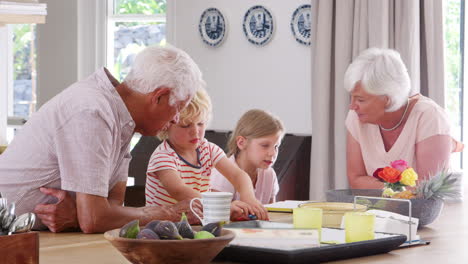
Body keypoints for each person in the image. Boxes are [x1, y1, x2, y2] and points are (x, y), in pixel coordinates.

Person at [0, 45, 205, 233]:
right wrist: (172, 213)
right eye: (178, 107)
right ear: (159, 96)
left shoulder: (122, 116)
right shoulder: (92, 110)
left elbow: (112, 208)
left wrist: (79, 217)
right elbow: (96, 219)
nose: (176, 118)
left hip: (31, 235)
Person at [344, 47, 463, 189]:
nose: (352, 106)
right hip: (381, 209)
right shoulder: (357, 117)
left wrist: (376, 186)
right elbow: (355, 180)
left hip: (429, 210)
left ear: (387, 99)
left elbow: (427, 191)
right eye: (352, 97)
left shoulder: (430, 117)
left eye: (360, 100)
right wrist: (400, 188)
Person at [145, 89, 269, 220]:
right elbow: (179, 190)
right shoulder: (163, 156)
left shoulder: (208, 149)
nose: (195, 132)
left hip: (195, 221)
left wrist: (249, 198)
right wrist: (223, 207)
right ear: (165, 125)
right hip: (162, 227)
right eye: (186, 125)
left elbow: (238, 175)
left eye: (200, 123)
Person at [210, 109, 284, 205]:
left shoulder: (269, 175)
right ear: (241, 143)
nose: (273, 153)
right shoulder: (223, 175)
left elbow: (272, 214)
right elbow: (217, 216)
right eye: (265, 145)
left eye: (276, 146)